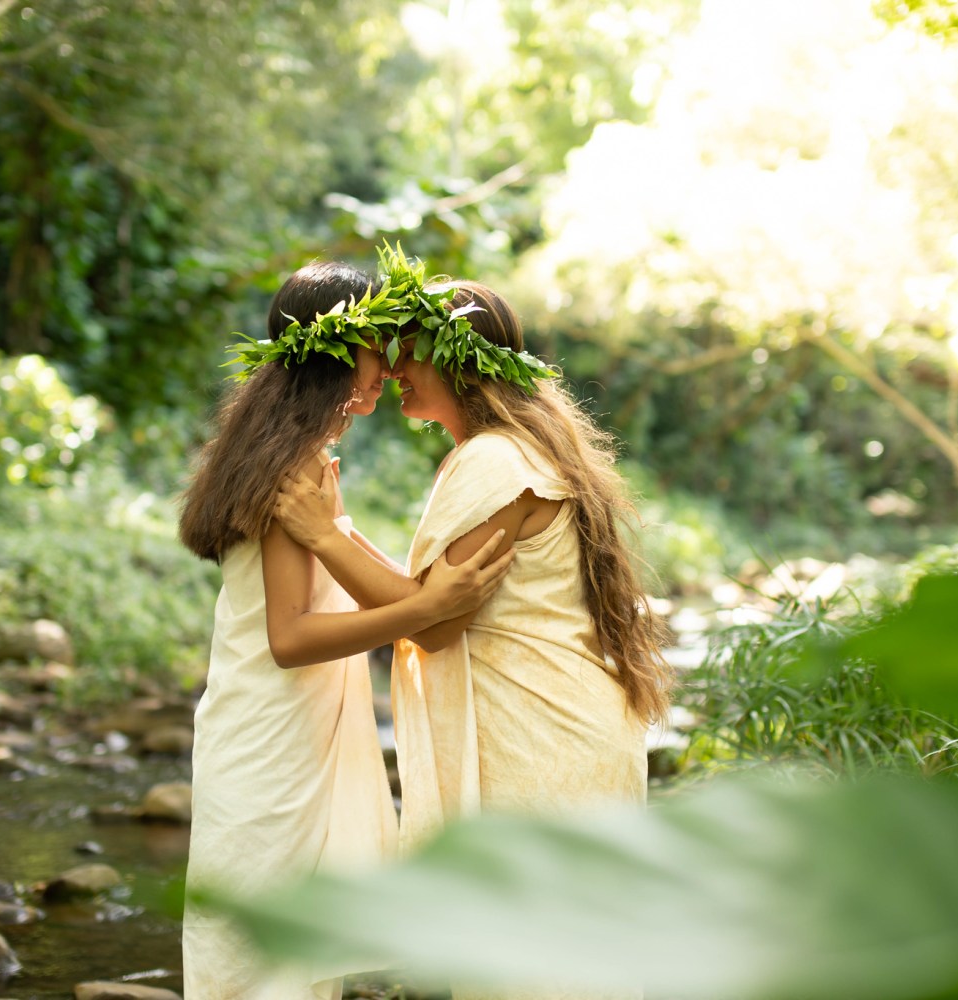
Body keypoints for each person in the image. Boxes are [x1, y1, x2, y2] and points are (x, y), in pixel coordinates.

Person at [177, 259, 516, 1000]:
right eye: (376, 347)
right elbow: (289, 637)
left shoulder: (297, 455)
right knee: (263, 959)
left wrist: (431, 604)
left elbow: (357, 573)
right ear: (332, 353)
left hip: (287, 725)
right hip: (273, 732)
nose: (389, 367)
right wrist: (423, 612)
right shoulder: (290, 468)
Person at [272, 265, 673, 860]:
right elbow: (428, 593)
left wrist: (326, 540)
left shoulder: (495, 462)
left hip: (542, 743)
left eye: (411, 353)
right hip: (557, 733)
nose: (394, 368)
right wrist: (336, 531)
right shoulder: (512, 451)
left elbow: (434, 623)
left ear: (459, 361)